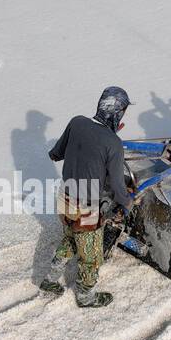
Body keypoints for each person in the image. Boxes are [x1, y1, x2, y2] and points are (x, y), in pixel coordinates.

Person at [40, 86, 134, 307]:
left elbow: (56, 154)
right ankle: (86, 297)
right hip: (87, 206)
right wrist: (126, 203)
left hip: (65, 198)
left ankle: (50, 280)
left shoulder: (77, 122)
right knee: (91, 255)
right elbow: (117, 184)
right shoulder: (113, 143)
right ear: (117, 113)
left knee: (71, 239)